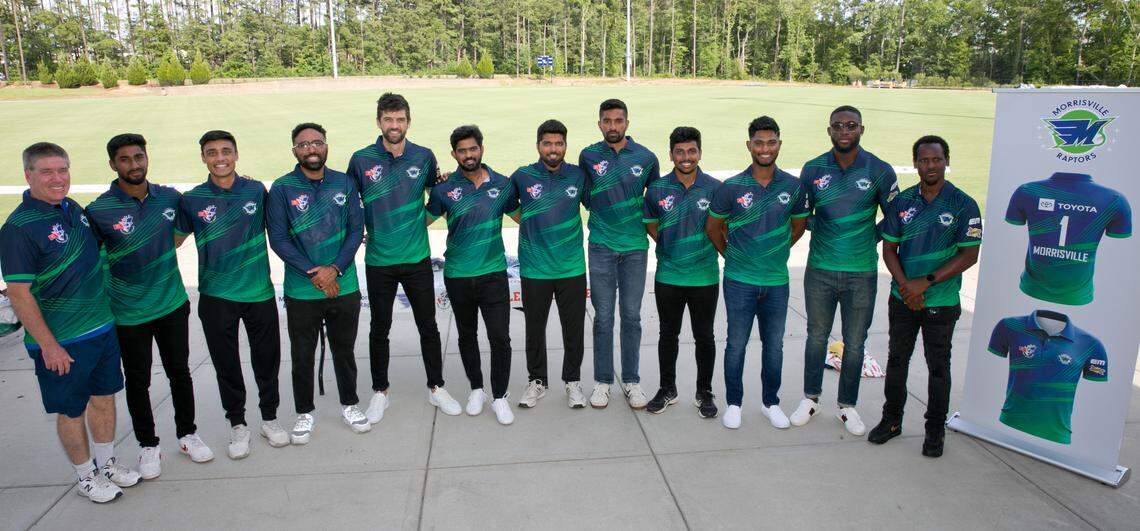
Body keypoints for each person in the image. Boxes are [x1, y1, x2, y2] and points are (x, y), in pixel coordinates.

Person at [1, 142, 140, 503]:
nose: (57, 178)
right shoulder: (18, 227)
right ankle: (85, 476)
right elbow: (18, 293)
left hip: (101, 328)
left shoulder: (72, 208)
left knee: (104, 398)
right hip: (61, 340)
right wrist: (48, 344)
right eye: (47, 172)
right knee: (71, 409)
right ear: (28, 174)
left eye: (62, 170)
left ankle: (107, 464)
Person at [85, 134, 212, 478]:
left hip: (171, 304)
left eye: (139, 157)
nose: (134, 165)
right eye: (125, 159)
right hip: (128, 313)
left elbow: (178, 236)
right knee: (138, 380)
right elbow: (94, 263)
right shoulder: (98, 210)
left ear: (147, 158)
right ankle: (148, 445)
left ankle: (188, 434)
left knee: (179, 372)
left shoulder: (170, 198)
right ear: (113, 164)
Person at [346, 92, 462, 420]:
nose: (394, 125)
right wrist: (362, 228)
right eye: (388, 119)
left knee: (428, 325)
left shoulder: (423, 156)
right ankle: (380, 392)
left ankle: (436, 388)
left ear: (408, 122)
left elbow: (434, 193)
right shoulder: (361, 159)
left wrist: (419, 221)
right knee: (379, 328)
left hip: (416, 258)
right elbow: (349, 201)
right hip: (379, 260)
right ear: (379, 121)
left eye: (400, 120)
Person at [177, 130, 288, 458]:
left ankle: (270, 418)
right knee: (227, 364)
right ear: (203, 158)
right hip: (216, 295)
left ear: (236, 154)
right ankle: (238, 424)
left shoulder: (256, 190)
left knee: (266, 359)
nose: (220, 157)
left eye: (226, 151)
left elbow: (281, 229)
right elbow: (170, 241)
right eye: (212, 152)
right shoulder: (192, 199)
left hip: (258, 292)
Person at [869, 135, 981, 457]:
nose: (930, 166)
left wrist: (926, 283)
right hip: (902, 298)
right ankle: (891, 421)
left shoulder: (963, 204)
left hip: (941, 303)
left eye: (936, 159)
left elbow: (969, 255)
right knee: (897, 361)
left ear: (946, 160)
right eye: (923, 160)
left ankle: (934, 431)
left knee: (938, 368)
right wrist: (907, 285)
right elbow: (889, 247)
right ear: (916, 163)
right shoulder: (903, 202)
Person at [791, 105, 899, 436]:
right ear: (829, 131)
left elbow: (895, 217)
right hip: (820, 269)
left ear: (861, 130)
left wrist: (870, 234)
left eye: (851, 125)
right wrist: (818, 226)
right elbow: (799, 213)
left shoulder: (880, 170)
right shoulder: (813, 169)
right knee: (816, 337)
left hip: (861, 271)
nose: (844, 131)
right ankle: (810, 398)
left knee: (854, 341)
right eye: (838, 126)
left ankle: (847, 405)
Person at [267, 123, 369, 442]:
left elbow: (356, 230)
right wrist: (315, 272)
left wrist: (335, 269)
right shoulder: (283, 188)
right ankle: (305, 411)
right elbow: (279, 239)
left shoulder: (345, 182)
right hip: (303, 288)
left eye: (317, 142)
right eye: (303, 144)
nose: (311, 149)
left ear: (326, 146)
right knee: (302, 354)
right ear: (294, 151)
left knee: (344, 351)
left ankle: (350, 404)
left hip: (344, 285)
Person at [706, 117, 809, 429]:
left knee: (774, 346)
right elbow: (713, 227)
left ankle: (770, 402)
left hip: (776, 281)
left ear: (779, 143)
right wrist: (732, 254)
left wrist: (775, 252)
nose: (765, 149)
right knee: (736, 343)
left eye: (771, 142)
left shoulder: (793, 186)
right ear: (749, 145)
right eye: (759, 143)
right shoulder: (731, 187)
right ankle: (734, 403)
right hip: (739, 281)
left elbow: (798, 225)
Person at [426, 125, 517, 425]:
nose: (468, 155)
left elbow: (524, 217)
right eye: (461, 151)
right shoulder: (443, 190)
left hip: (492, 274)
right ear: (454, 154)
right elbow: (420, 222)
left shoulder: (503, 185)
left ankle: (500, 397)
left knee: (500, 338)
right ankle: (477, 389)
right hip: (458, 274)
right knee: (467, 335)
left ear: (481, 149)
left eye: (472, 149)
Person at [579, 98, 660, 409]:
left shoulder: (646, 157)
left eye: (618, 121)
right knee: (603, 318)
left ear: (627, 122)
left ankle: (631, 380)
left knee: (631, 317)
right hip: (600, 245)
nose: (612, 126)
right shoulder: (588, 155)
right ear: (599, 123)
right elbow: (587, 197)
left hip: (635, 249)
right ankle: (602, 381)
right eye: (606, 121)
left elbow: (654, 201)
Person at [510, 119, 590, 409]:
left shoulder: (579, 176)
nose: (553, 149)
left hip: (571, 268)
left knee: (574, 330)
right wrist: (532, 223)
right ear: (538, 146)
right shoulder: (522, 176)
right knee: (535, 327)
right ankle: (537, 382)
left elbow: (597, 202)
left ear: (565, 146)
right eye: (547, 143)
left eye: (558, 143)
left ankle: (573, 382)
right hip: (535, 268)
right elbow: (503, 203)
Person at [642, 127, 721, 418]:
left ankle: (705, 391)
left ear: (699, 152)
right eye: (679, 151)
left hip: (705, 277)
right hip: (669, 276)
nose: (686, 157)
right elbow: (651, 224)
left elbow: (722, 226)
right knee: (668, 335)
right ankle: (668, 389)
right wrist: (668, 246)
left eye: (691, 151)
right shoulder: (659, 189)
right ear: (671, 154)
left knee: (705, 337)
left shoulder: (715, 188)